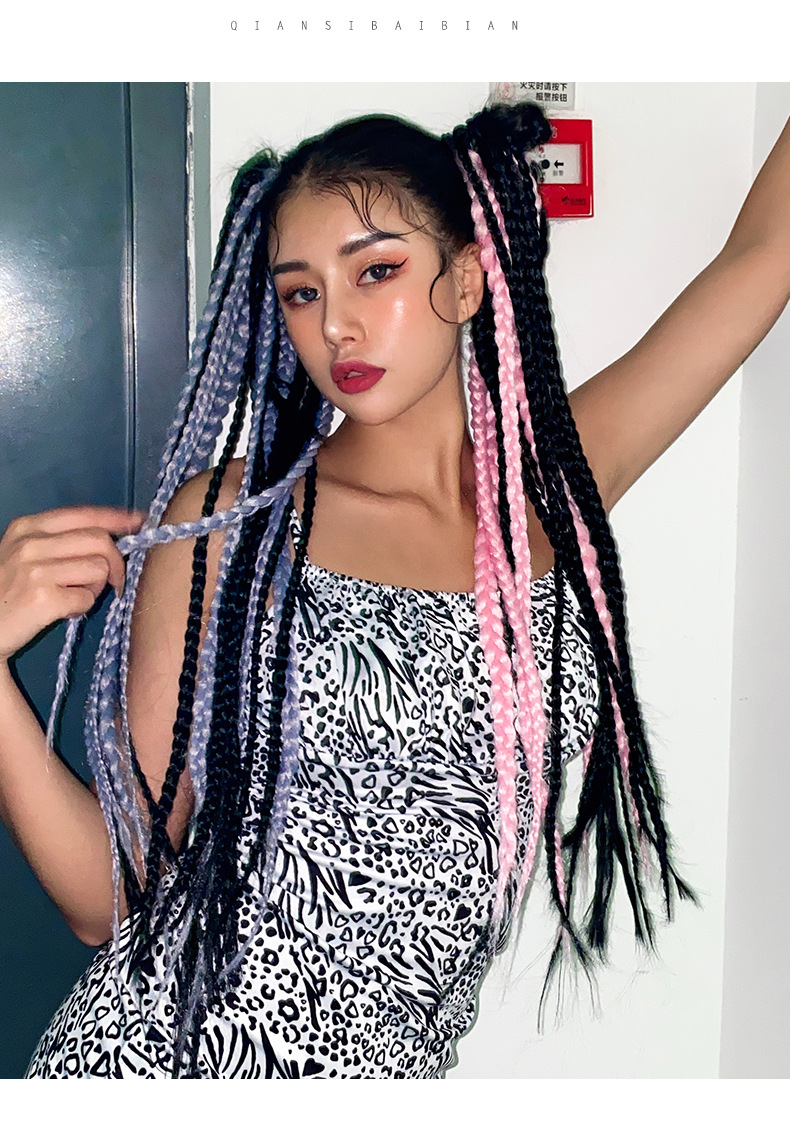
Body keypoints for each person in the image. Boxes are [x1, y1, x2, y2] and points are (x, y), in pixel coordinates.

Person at [1, 100, 788, 1079]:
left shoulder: (547, 492)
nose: (334, 323)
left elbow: (762, 258)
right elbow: (105, 896)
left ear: (465, 278)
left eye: (375, 271)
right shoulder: (236, 520)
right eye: (300, 293)